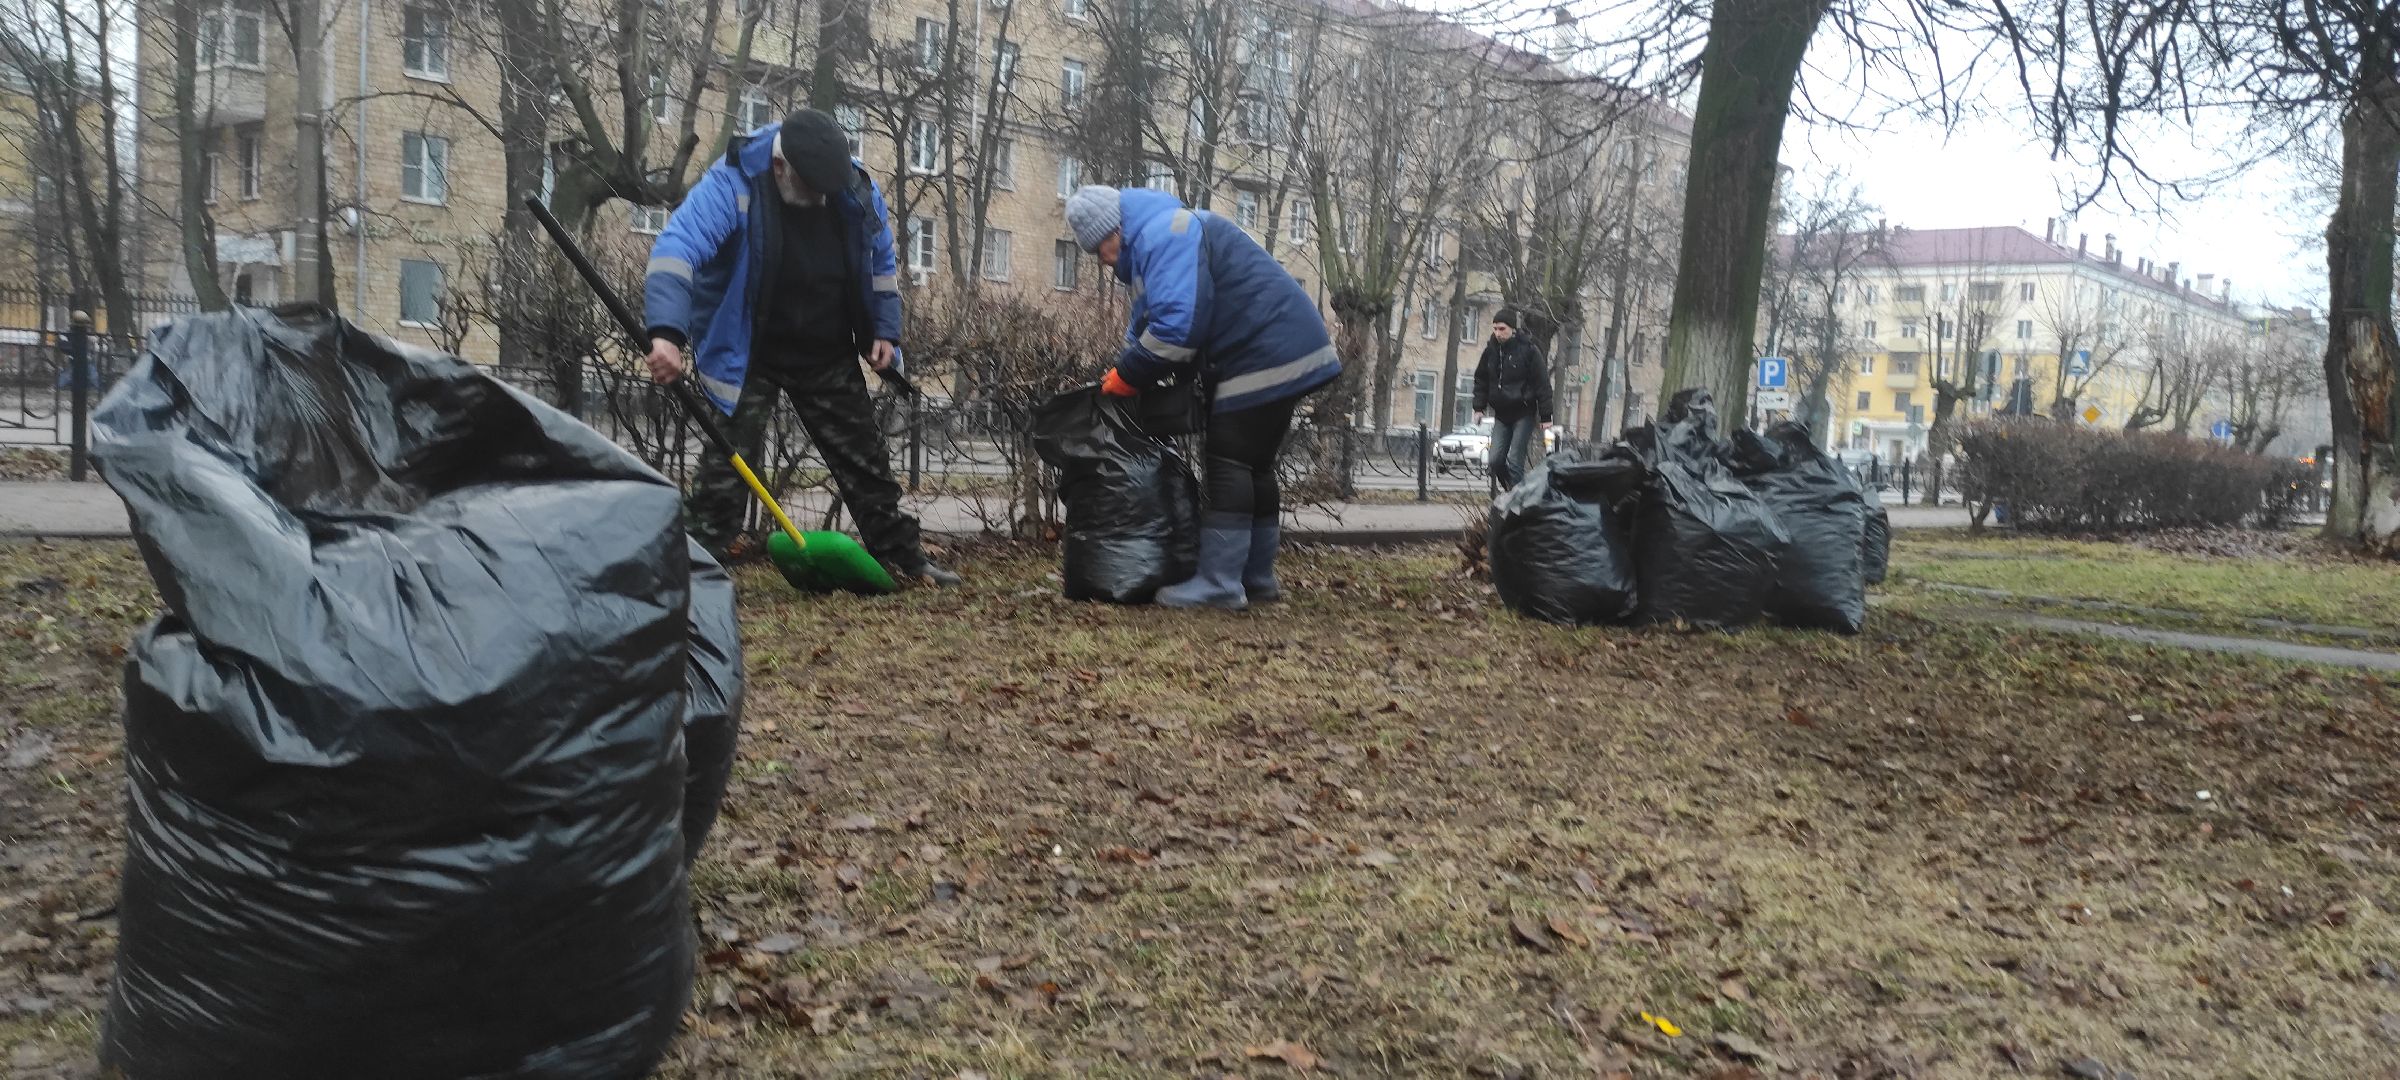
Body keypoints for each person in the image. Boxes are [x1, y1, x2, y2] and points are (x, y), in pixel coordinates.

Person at [641, 108, 959, 587]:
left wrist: (884, 330)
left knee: (865, 460)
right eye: (813, 190)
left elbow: (881, 263)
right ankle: (695, 567)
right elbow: (676, 249)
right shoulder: (732, 182)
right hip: (749, 350)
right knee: (727, 465)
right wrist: (666, 333)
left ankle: (902, 558)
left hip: (825, 345)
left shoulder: (852, 186)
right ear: (780, 167)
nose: (822, 199)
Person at [1064, 184, 1340, 611]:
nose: (1102, 259)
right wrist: (1124, 366)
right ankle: (1255, 579)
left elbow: (1176, 329)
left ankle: (1219, 583)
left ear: (1115, 230)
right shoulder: (1160, 238)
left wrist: (1129, 376)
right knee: (1255, 465)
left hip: (1261, 350)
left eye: (1100, 247)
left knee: (1229, 460)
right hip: (1286, 344)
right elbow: (1146, 323)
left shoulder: (1164, 235)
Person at [1471, 310, 1552, 491]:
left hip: (1523, 412)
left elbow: (1542, 383)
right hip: (1502, 414)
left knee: (1515, 459)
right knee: (1495, 460)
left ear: (1513, 329)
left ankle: (1517, 501)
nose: (1498, 333)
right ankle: (1514, 492)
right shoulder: (1491, 352)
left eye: (1502, 329)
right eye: (1495, 329)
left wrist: (1546, 416)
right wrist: (1478, 408)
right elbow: (1481, 380)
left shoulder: (1528, 350)